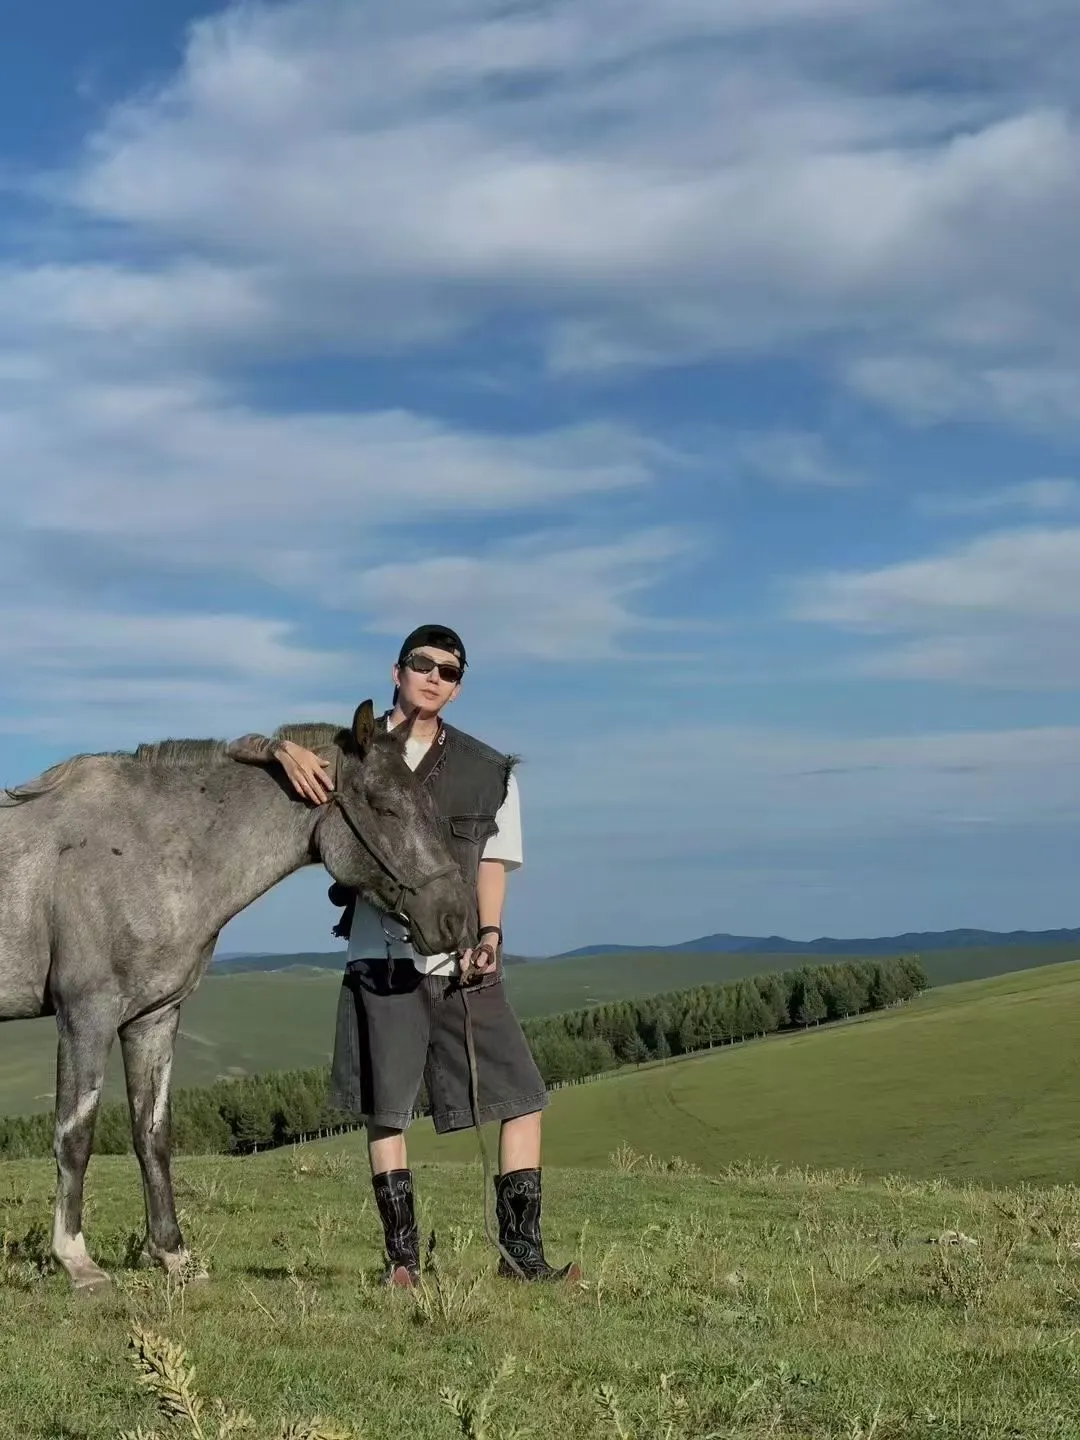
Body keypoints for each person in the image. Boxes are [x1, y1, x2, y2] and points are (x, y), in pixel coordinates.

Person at [260, 623, 577, 1287]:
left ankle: (521, 1257)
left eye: (450, 671)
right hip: (381, 958)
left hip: (463, 963)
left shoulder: (490, 771)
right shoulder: (352, 749)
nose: (435, 676)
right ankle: (402, 1263)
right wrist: (279, 746)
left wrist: (490, 937)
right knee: (388, 1108)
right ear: (397, 670)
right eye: (423, 664)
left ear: (457, 689)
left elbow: (493, 863)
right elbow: (250, 758)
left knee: (522, 1096)